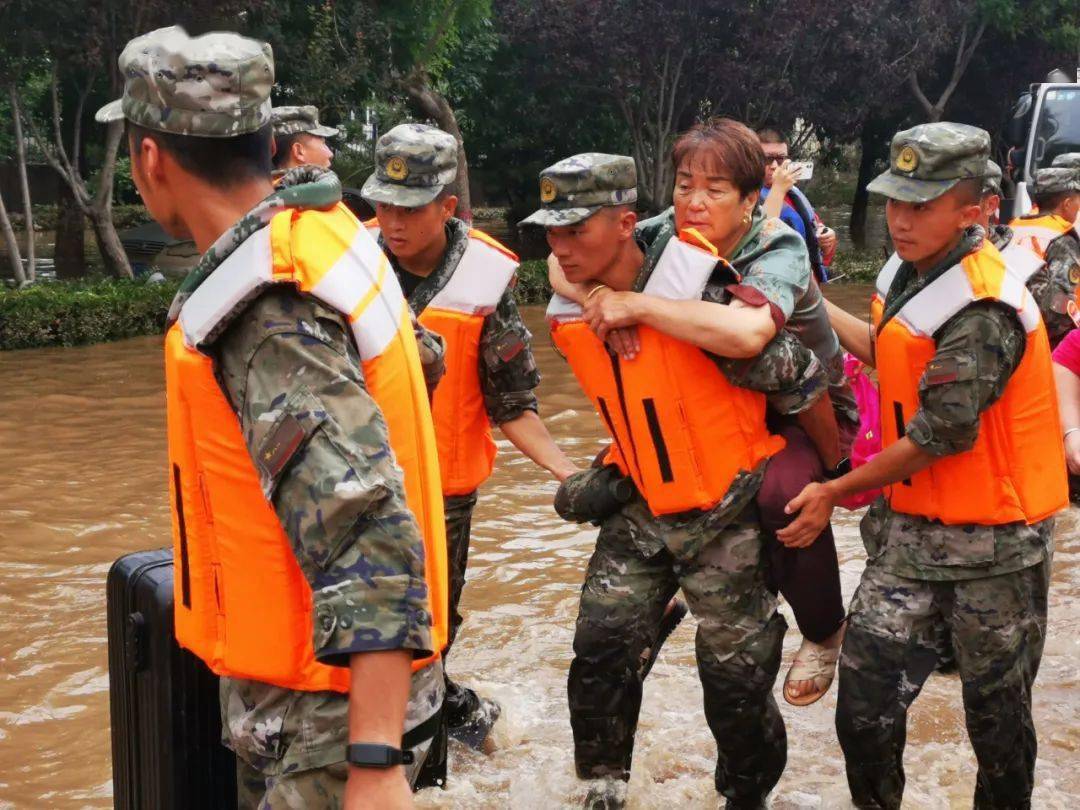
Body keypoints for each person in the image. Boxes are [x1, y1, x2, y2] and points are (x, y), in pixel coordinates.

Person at [98, 27, 450, 808]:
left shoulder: (264, 304)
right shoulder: (329, 237)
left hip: (325, 717)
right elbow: (424, 361)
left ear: (149, 159)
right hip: (334, 697)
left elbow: (369, 522)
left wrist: (372, 762)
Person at [526, 145, 830, 808]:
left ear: (624, 224)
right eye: (553, 231)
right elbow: (560, 270)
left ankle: (745, 796)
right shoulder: (576, 298)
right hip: (640, 500)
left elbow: (786, 365)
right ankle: (603, 787)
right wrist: (599, 294)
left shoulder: (724, 287)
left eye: (577, 230)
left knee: (735, 683)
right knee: (600, 648)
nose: (561, 247)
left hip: (729, 503)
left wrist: (832, 474)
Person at [786, 122, 1068, 809]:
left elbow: (942, 433)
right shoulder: (907, 271)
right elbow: (889, 353)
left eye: (921, 205)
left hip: (995, 550)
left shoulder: (986, 304)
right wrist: (806, 300)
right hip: (907, 537)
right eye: (893, 202)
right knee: (864, 714)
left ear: (976, 210)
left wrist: (833, 489)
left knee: (998, 733)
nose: (900, 220)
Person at [361, 123, 578, 749]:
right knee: (355, 636)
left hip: (442, 494)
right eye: (382, 205)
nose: (392, 222)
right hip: (352, 484)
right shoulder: (349, 259)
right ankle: (447, 724)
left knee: (428, 635)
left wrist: (570, 472)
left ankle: (439, 746)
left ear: (448, 206)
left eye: (409, 208)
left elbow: (511, 404)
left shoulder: (488, 276)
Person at [758, 127, 837, 281]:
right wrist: (778, 190)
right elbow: (758, 241)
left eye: (780, 159)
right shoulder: (744, 196)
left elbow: (815, 230)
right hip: (776, 283)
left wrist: (827, 240)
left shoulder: (793, 193)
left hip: (807, 284)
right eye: (767, 159)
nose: (774, 165)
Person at [1020, 154, 1080, 347]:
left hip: (1015, 327)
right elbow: (1057, 311)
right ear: (1067, 203)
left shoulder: (1016, 225)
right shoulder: (1061, 238)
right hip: (1050, 340)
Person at [271, 105, 337, 172]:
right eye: (323, 143)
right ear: (299, 152)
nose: (330, 154)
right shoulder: (323, 181)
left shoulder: (266, 181)